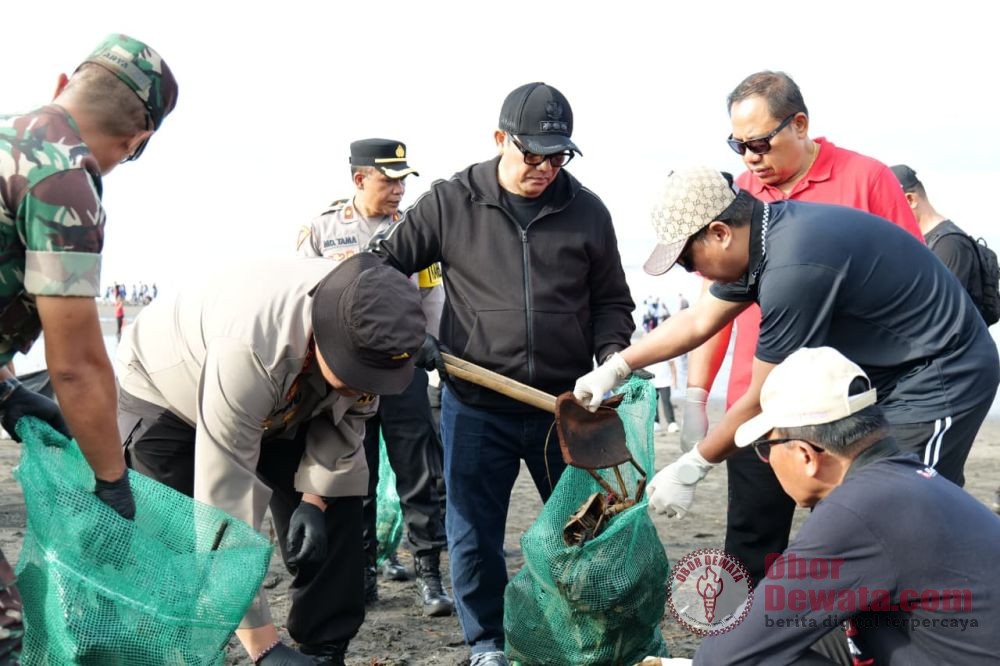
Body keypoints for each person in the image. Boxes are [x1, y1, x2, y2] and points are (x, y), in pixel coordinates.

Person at [573, 167, 998, 539]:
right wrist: (617, 366)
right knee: (863, 501)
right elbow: (700, 320)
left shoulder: (793, 268)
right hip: (889, 375)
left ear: (720, 233)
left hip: (942, 371)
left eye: (688, 260)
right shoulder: (764, 238)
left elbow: (763, 397)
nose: (694, 273)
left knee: (902, 503)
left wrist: (692, 466)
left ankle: (939, 618)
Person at [372, 82, 635, 666]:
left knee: (580, 532)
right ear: (500, 140)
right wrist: (410, 336)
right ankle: (486, 644)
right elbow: (382, 269)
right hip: (476, 401)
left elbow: (612, 302)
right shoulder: (449, 201)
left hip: (562, 408)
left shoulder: (587, 211)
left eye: (558, 155)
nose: (545, 168)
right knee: (473, 534)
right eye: (532, 154)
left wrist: (612, 360)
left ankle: (577, 634)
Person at [115, 254, 426, 666]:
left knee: (339, 504)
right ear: (327, 339)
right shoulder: (249, 349)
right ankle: (173, 653)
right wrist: (263, 648)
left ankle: (324, 649)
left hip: (288, 394)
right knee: (174, 541)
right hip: (166, 389)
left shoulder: (374, 331)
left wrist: (314, 503)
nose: (364, 388)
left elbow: (347, 424)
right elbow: (223, 505)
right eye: (357, 374)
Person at [679, 71, 923, 584]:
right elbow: (713, 301)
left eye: (760, 143)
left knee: (853, 538)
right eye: (737, 145)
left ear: (800, 124)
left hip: (847, 405)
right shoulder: (742, 192)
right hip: (758, 399)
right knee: (749, 539)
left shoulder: (867, 180)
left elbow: (911, 286)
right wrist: (697, 393)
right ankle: (740, 652)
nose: (749, 158)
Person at [0, 33, 177, 661]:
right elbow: (75, 365)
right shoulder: (62, 179)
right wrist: (111, 481)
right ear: (136, 143)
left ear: (59, 85)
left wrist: (7, 391)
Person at [692, 347, 1000, 665]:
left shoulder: (858, 510)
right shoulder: (910, 481)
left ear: (804, 455)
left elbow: (723, 657)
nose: (768, 462)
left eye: (767, 448)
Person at [297, 138, 453, 617]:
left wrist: (433, 351)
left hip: (403, 369)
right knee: (352, 475)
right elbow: (300, 299)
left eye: (404, 180)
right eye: (389, 180)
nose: (399, 190)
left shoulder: (415, 231)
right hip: (343, 378)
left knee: (419, 471)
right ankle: (363, 573)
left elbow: (432, 298)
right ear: (359, 178)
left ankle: (429, 573)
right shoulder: (324, 231)